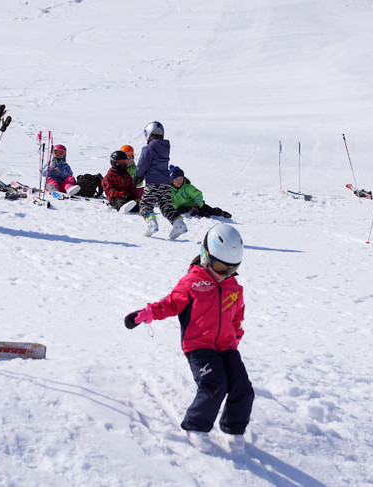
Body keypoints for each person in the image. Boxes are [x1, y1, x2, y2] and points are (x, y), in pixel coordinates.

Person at [124, 223, 253, 454]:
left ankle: (234, 429)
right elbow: (171, 303)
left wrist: (236, 336)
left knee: (243, 387)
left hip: (227, 346)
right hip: (199, 346)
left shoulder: (234, 287)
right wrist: (147, 313)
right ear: (206, 256)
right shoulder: (193, 282)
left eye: (233, 269)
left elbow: (237, 315)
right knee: (215, 384)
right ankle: (196, 426)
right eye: (222, 267)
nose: (226, 274)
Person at [134, 121, 187, 239]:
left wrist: (137, 177)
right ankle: (179, 224)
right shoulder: (165, 147)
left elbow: (143, 164)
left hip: (153, 183)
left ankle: (151, 224)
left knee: (145, 204)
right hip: (166, 184)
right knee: (166, 205)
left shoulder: (148, 148)